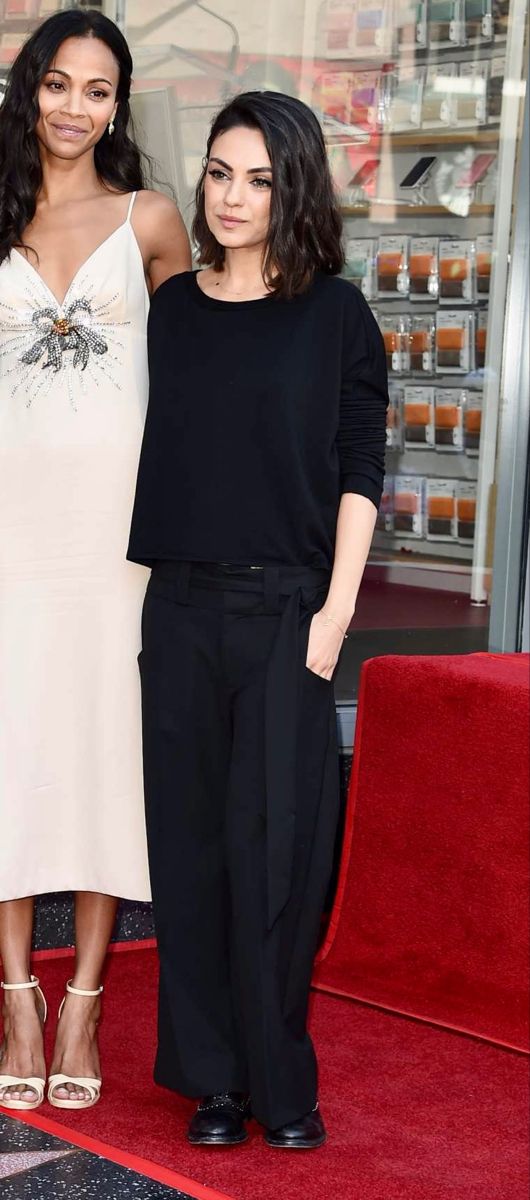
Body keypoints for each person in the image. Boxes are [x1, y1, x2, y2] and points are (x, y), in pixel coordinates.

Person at [128, 90, 387, 1149]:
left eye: (259, 178)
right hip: (180, 606)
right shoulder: (174, 311)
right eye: (220, 174)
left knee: (276, 856)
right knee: (188, 855)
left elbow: (361, 475)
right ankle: (213, 1083)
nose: (233, 197)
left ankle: (281, 1084)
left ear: (295, 189)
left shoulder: (336, 314)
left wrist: (331, 622)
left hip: (287, 612)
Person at [0, 8, 190, 1113]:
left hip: (118, 544)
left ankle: (85, 997)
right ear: (29, 89)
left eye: (99, 89)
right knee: (12, 753)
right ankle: (15, 990)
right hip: (12, 537)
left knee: (103, 755)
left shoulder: (152, 218)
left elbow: (206, 374)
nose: (75, 108)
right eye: (58, 84)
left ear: (121, 104)